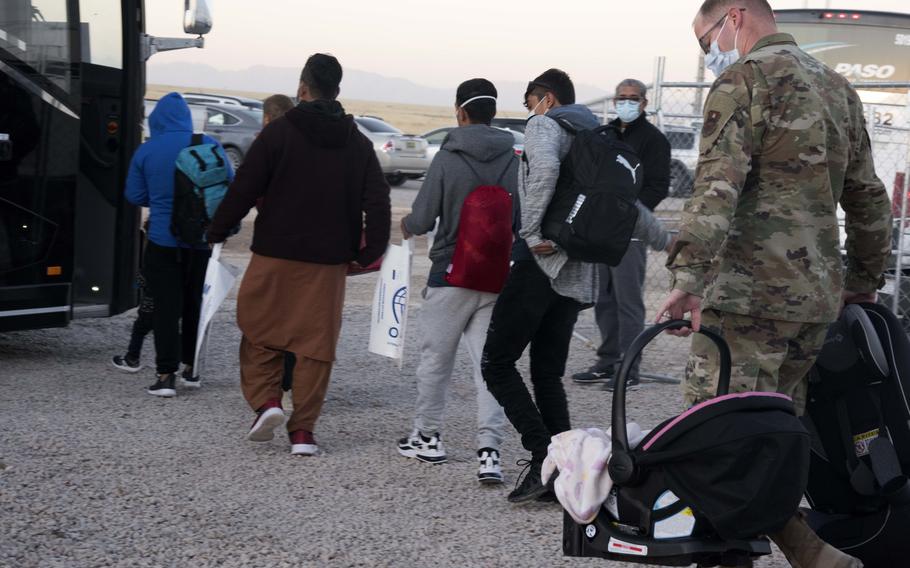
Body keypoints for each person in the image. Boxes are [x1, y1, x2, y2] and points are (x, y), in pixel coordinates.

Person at [656, 1, 892, 566]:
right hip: (813, 302)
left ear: (733, 18)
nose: (709, 54)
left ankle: (780, 552)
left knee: (714, 432)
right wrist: (862, 278)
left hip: (746, 299)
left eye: (705, 39)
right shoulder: (837, 87)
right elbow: (867, 196)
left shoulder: (744, 81)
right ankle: (798, 547)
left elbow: (716, 187)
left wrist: (687, 278)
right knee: (776, 430)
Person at [481, 69, 673, 504]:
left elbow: (544, 169)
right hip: (580, 275)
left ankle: (539, 455)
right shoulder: (600, 136)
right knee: (546, 373)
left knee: (496, 363)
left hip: (542, 263)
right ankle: (563, 471)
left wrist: (530, 234)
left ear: (547, 98)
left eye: (531, 101)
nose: (529, 109)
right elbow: (629, 205)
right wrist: (666, 241)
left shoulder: (546, 126)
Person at [207, 53, 390, 456]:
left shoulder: (277, 134)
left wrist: (217, 230)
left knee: (259, 330)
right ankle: (303, 432)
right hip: (328, 263)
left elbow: (243, 188)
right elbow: (378, 202)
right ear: (336, 91)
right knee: (315, 346)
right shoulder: (357, 142)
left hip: (275, 252)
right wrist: (369, 251)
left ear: (303, 89)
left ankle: (268, 403)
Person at [395, 78, 516, 484]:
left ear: (460, 112)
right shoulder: (513, 158)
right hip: (496, 276)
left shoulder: (448, 156)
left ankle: (428, 437)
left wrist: (407, 225)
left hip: (450, 274)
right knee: (490, 367)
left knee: (436, 361)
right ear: (493, 112)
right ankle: (490, 453)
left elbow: (423, 217)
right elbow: (520, 219)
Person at [125, 92, 233, 397]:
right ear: (187, 117)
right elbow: (229, 184)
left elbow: (134, 196)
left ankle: (165, 375)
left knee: (165, 307)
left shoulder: (148, 150)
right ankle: (191, 369)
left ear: (157, 119)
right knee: (194, 304)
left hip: (162, 240)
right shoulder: (208, 144)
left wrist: (160, 200)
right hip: (200, 241)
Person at [572, 79, 671, 389]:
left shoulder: (654, 140)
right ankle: (607, 359)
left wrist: (630, 211)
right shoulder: (607, 134)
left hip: (631, 230)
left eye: (633, 98)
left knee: (628, 300)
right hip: (600, 229)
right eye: (621, 98)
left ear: (643, 103)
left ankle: (629, 367)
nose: (626, 103)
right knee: (603, 298)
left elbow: (658, 186)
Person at [111, 221, 154, 373]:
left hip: (150, 302)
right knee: (168, 331)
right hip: (169, 302)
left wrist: (136, 285)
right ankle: (173, 365)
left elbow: (142, 278)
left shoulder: (152, 252)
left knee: (140, 328)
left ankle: (132, 358)